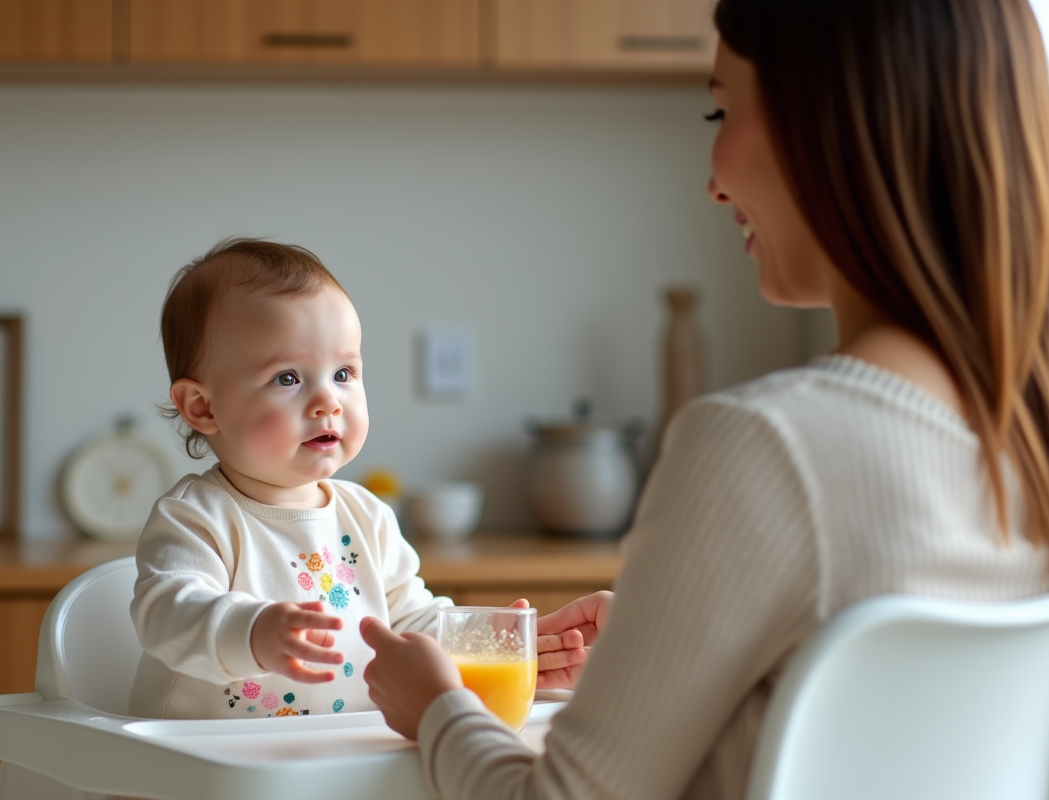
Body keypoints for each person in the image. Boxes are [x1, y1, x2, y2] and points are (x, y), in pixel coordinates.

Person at [359, 0, 1049, 797]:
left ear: (830, 126)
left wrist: (439, 704)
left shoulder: (764, 445)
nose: (713, 182)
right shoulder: (1020, 436)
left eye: (721, 110)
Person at [127, 237, 458, 719]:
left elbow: (414, 623)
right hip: (201, 769)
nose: (329, 401)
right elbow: (167, 614)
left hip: (333, 761)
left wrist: (499, 640)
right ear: (203, 406)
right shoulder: (196, 518)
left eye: (344, 373)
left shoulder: (366, 516)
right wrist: (252, 631)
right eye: (288, 378)